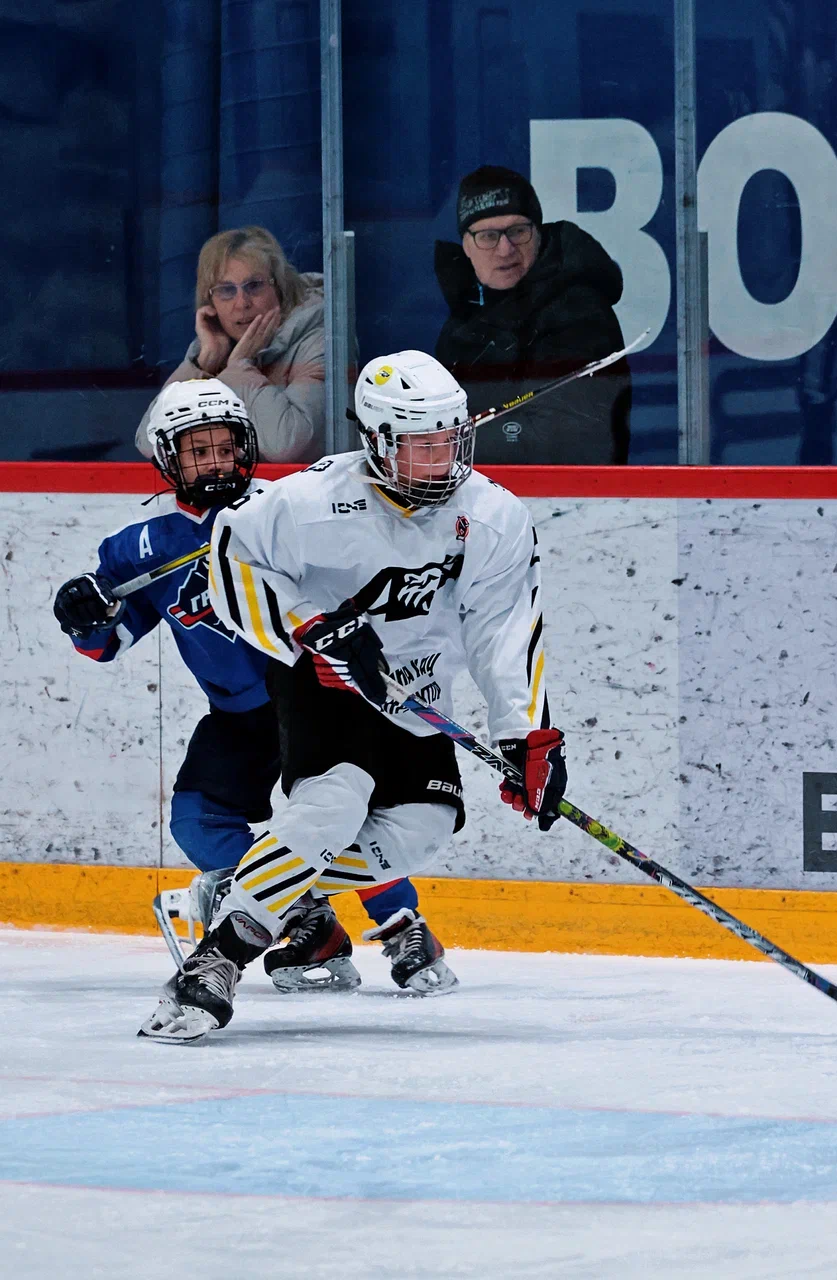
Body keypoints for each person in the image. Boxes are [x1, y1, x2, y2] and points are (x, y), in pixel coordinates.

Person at [137, 350, 568, 1043]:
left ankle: (247, 883)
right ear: (376, 439)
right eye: (419, 444)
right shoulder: (309, 501)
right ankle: (216, 962)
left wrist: (527, 737)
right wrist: (310, 626)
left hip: (416, 694)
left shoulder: (492, 516)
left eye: (448, 440)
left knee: (423, 830)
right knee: (330, 807)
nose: (440, 460)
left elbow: (505, 629)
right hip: (325, 682)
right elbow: (230, 559)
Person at [54, 378, 441, 995]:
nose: (215, 462)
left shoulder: (287, 507)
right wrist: (84, 616)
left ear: (246, 447)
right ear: (168, 459)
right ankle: (307, 920)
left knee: (335, 821)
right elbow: (106, 644)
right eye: (197, 451)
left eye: (225, 447)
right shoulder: (137, 547)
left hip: (316, 700)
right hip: (238, 714)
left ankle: (404, 927)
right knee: (197, 821)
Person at [434, 165, 631, 465]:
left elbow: (565, 441)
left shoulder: (578, 313)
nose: (505, 249)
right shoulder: (466, 317)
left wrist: (439, 446)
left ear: (538, 233)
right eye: (488, 236)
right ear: (467, 246)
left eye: (518, 231)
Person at [135, 226, 325, 464]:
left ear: (279, 288)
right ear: (210, 301)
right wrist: (203, 363)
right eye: (226, 290)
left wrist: (240, 367)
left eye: (254, 286)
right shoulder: (215, 344)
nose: (242, 303)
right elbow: (151, 444)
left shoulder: (318, 340)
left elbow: (286, 445)